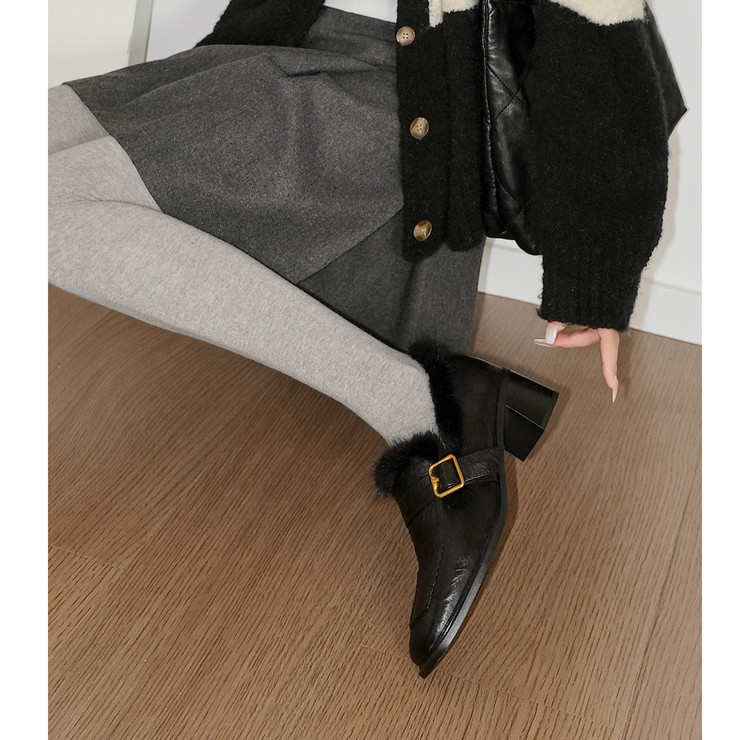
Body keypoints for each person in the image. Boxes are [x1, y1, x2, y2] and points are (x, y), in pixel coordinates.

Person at [48, 0, 684, 676]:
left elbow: (602, 32)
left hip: (385, 99)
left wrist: (599, 270)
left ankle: (418, 408)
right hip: (286, 48)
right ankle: (449, 392)